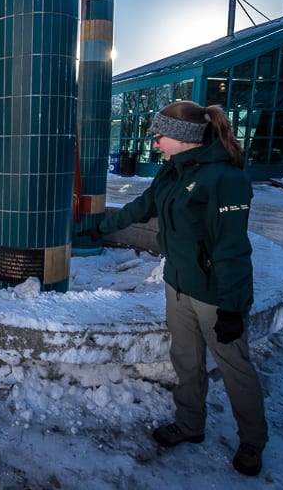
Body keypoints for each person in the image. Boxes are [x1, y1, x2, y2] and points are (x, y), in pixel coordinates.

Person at [79, 101, 267, 477]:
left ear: (183, 137)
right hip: (178, 286)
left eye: (160, 136)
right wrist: (101, 227)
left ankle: (252, 442)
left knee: (235, 369)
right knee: (186, 361)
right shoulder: (172, 173)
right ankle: (189, 425)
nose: (155, 144)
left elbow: (231, 249)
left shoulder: (225, 180)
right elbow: (142, 206)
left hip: (216, 296)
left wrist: (231, 306)